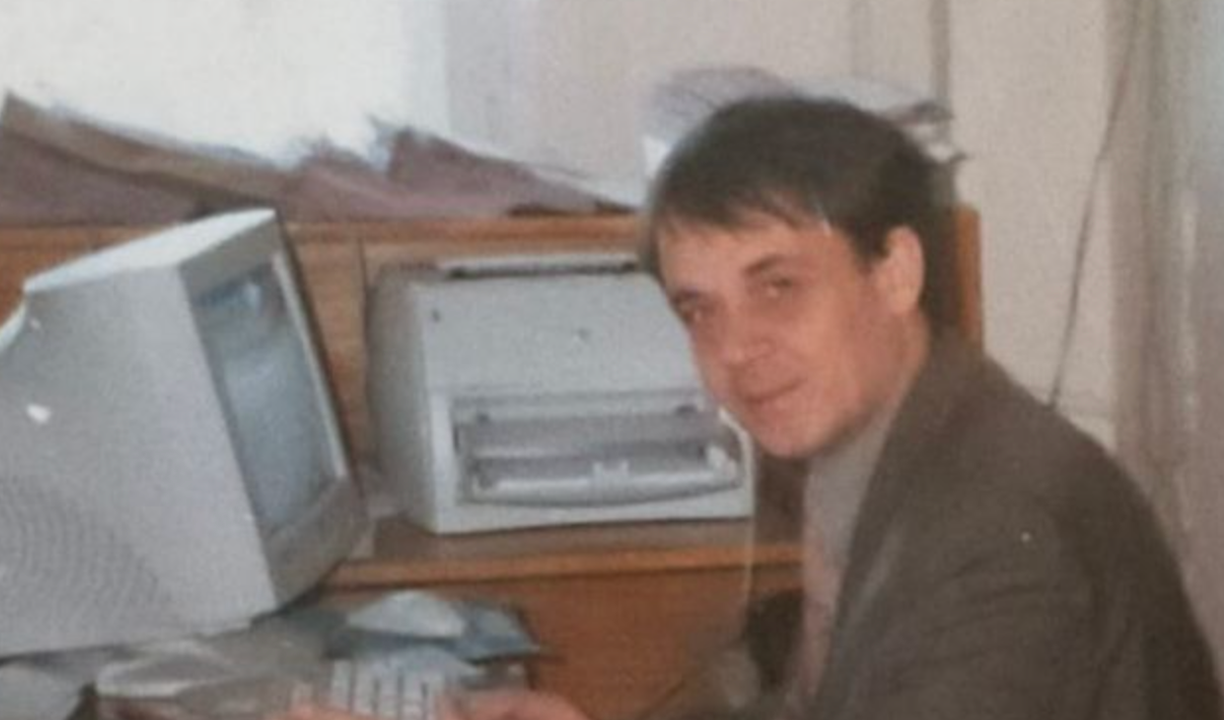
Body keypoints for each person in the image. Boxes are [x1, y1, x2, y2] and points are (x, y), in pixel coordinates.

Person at [273, 96, 1220, 720]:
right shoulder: (888, 440)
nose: (735, 349)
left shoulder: (997, 537)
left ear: (895, 272)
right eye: (701, 309)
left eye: (778, 288)